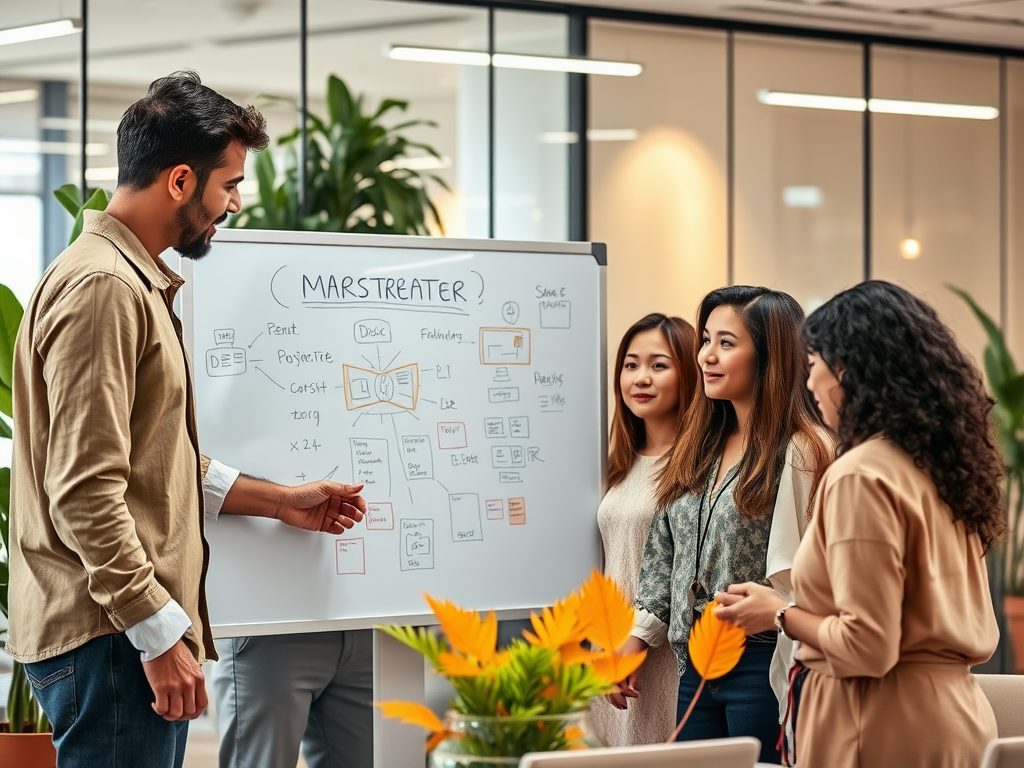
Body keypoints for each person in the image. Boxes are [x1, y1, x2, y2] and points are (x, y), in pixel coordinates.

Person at [8, 71, 366, 768]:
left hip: (111, 641)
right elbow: (85, 490)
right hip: (110, 641)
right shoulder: (106, 289)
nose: (233, 203)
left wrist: (279, 501)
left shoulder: (120, 279)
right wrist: (158, 634)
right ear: (179, 181)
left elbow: (151, 458)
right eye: (228, 185)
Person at [716, 280, 1003, 768]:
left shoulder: (861, 474)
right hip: (955, 720)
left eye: (813, 368)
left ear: (846, 370)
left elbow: (865, 647)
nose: (808, 385)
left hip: (881, 726)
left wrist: (779, 613)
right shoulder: (943, 469)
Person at [622, 286, 833, 765]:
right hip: (694, 663)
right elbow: (664, 558)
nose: (706, 356)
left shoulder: (802, 451)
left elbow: (821, 570)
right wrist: (635, 640)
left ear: (770, 355)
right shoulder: (699, 446)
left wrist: (784, 610)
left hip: (762, 660)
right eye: (705, 340)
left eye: (726, 342)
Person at [590, 313, 699, 746]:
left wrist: (638, 641)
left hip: (660, 654)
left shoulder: (698, 467)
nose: (640, 378)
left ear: (688, 373)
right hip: (610, 648)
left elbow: (681, 571)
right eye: (631, 365)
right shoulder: (619, 464)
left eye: (659, 365)